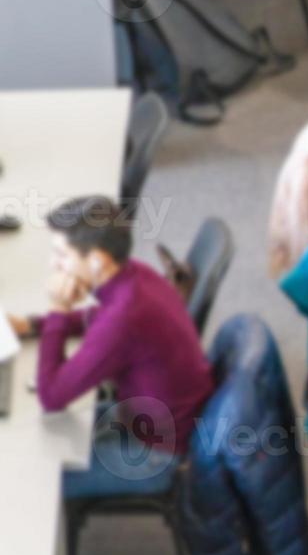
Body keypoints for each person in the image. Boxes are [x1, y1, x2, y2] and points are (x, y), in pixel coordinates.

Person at [7, 197, 214, 499]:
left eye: (61, 255)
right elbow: (96, 318)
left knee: (29, 479)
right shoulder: (135, 274)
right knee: (28, 439)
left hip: (153, 455)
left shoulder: (123, 320)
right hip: (154, 419)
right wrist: (32, 325)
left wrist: (58, 309)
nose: (54, 265)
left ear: (97, 260)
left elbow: (51, 397)